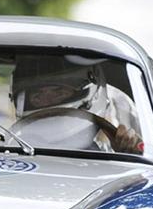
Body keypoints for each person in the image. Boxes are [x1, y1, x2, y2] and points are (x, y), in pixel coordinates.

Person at [9, 55, 145, 154]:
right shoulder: (10, 153)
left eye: (59, 91)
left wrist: (128, 153)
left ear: (92, 95)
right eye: (37, 95)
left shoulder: (107, 160)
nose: (48, 100)